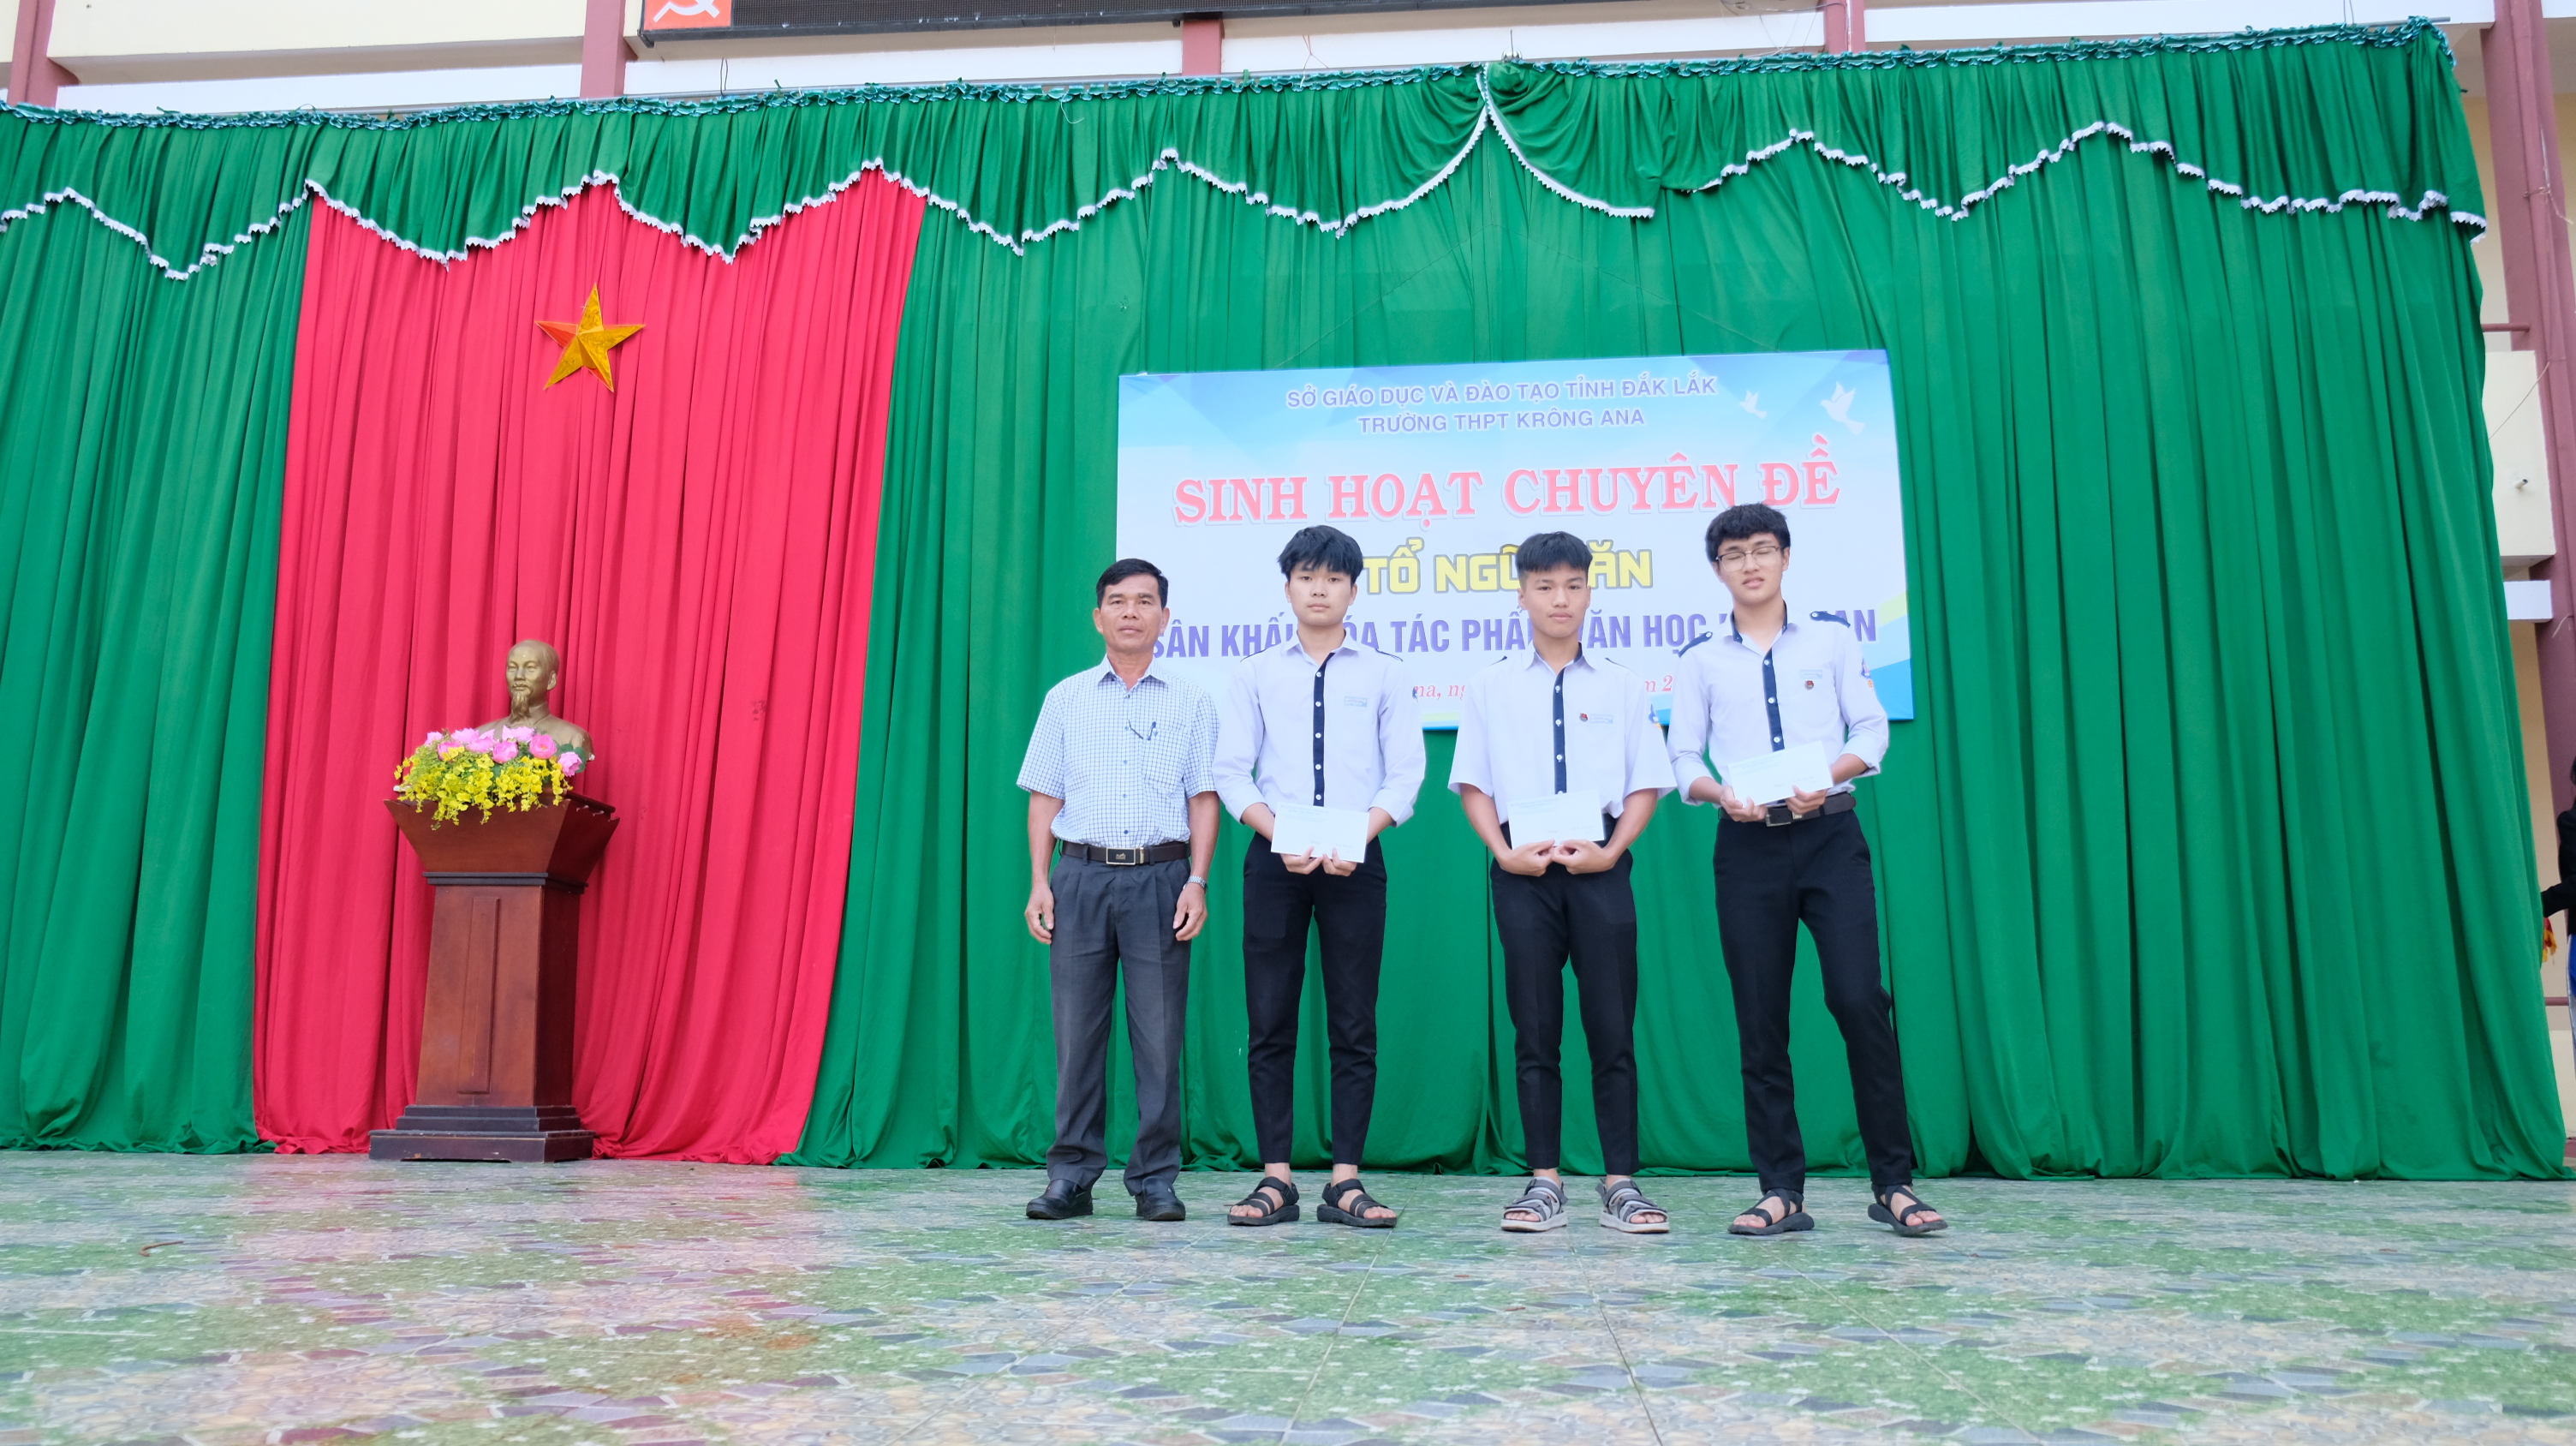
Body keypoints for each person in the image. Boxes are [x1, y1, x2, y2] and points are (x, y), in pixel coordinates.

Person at [1667, 503, 1945, 1238]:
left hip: (1830, 838)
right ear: (1718, 570)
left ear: (1786, 557)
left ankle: (1894, 1184)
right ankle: (1781, 1191)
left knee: (1859, 1000)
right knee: (1760, 1020)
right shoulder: (1699, 660)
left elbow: (1872, 730)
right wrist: (1718, 793)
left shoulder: (1832, 639)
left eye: (1763, 549)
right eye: (1734, 555)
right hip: (1747, 848)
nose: (1750, 564)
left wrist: (1830, 775)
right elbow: (1684, 755)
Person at [1451, 531, 1677, 1234]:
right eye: (1545, 586)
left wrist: (1612, 851)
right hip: (1521, 871)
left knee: (1612, 1027)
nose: (1560, 599)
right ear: (1521, 595)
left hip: (1600, 869)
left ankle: (1622, 1182)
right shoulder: (1489, 685)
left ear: (1589, 592)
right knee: (1535, 1027)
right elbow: (1473, 783)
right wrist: (1502, 853)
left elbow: (1646, 783)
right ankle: (1543, 1182)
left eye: (1573, 585)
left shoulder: (1623, 684)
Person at [1213, 525, 1425, 1229]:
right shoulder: (1254, 673)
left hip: (1357, 861)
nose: (1320, 589)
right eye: (1307, 576)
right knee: (1269, 1020)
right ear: (1288, 588)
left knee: (1354, 1022)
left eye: (1334, 578)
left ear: (1353, 591)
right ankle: (1275, 1179)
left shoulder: (1386, 673)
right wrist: (1281, 835)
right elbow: (1230, 771)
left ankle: (1345, 1180)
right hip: (1274, 863)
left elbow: (1406, 774)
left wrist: (1358, 836)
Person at [1017, 559, 1221, 1223]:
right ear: (1098, 617)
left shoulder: (1192, 701)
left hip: (1162, 878)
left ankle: (1155, 1179)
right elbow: (1045, 796)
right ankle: (1071, 1176)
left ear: (1165, 618)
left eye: (1145, 601)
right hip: (1079, 876)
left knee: (1159, 1039)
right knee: (1077, 1035)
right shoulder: (1066, 698)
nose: (1131, 612)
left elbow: (1204, 798)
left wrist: (1197, 881)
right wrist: (1040, 881)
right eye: (1118, 601)